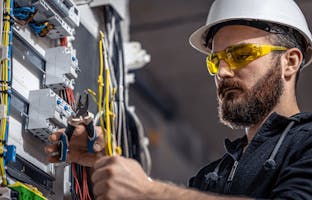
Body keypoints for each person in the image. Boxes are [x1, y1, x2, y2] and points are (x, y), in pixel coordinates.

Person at [45, 0, 312, 199]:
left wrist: (148, 191)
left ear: (289, 62)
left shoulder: (306, 143)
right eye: (215, 61)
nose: (222, 72)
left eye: (241, 55)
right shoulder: (213, 176)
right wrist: (106, 161)